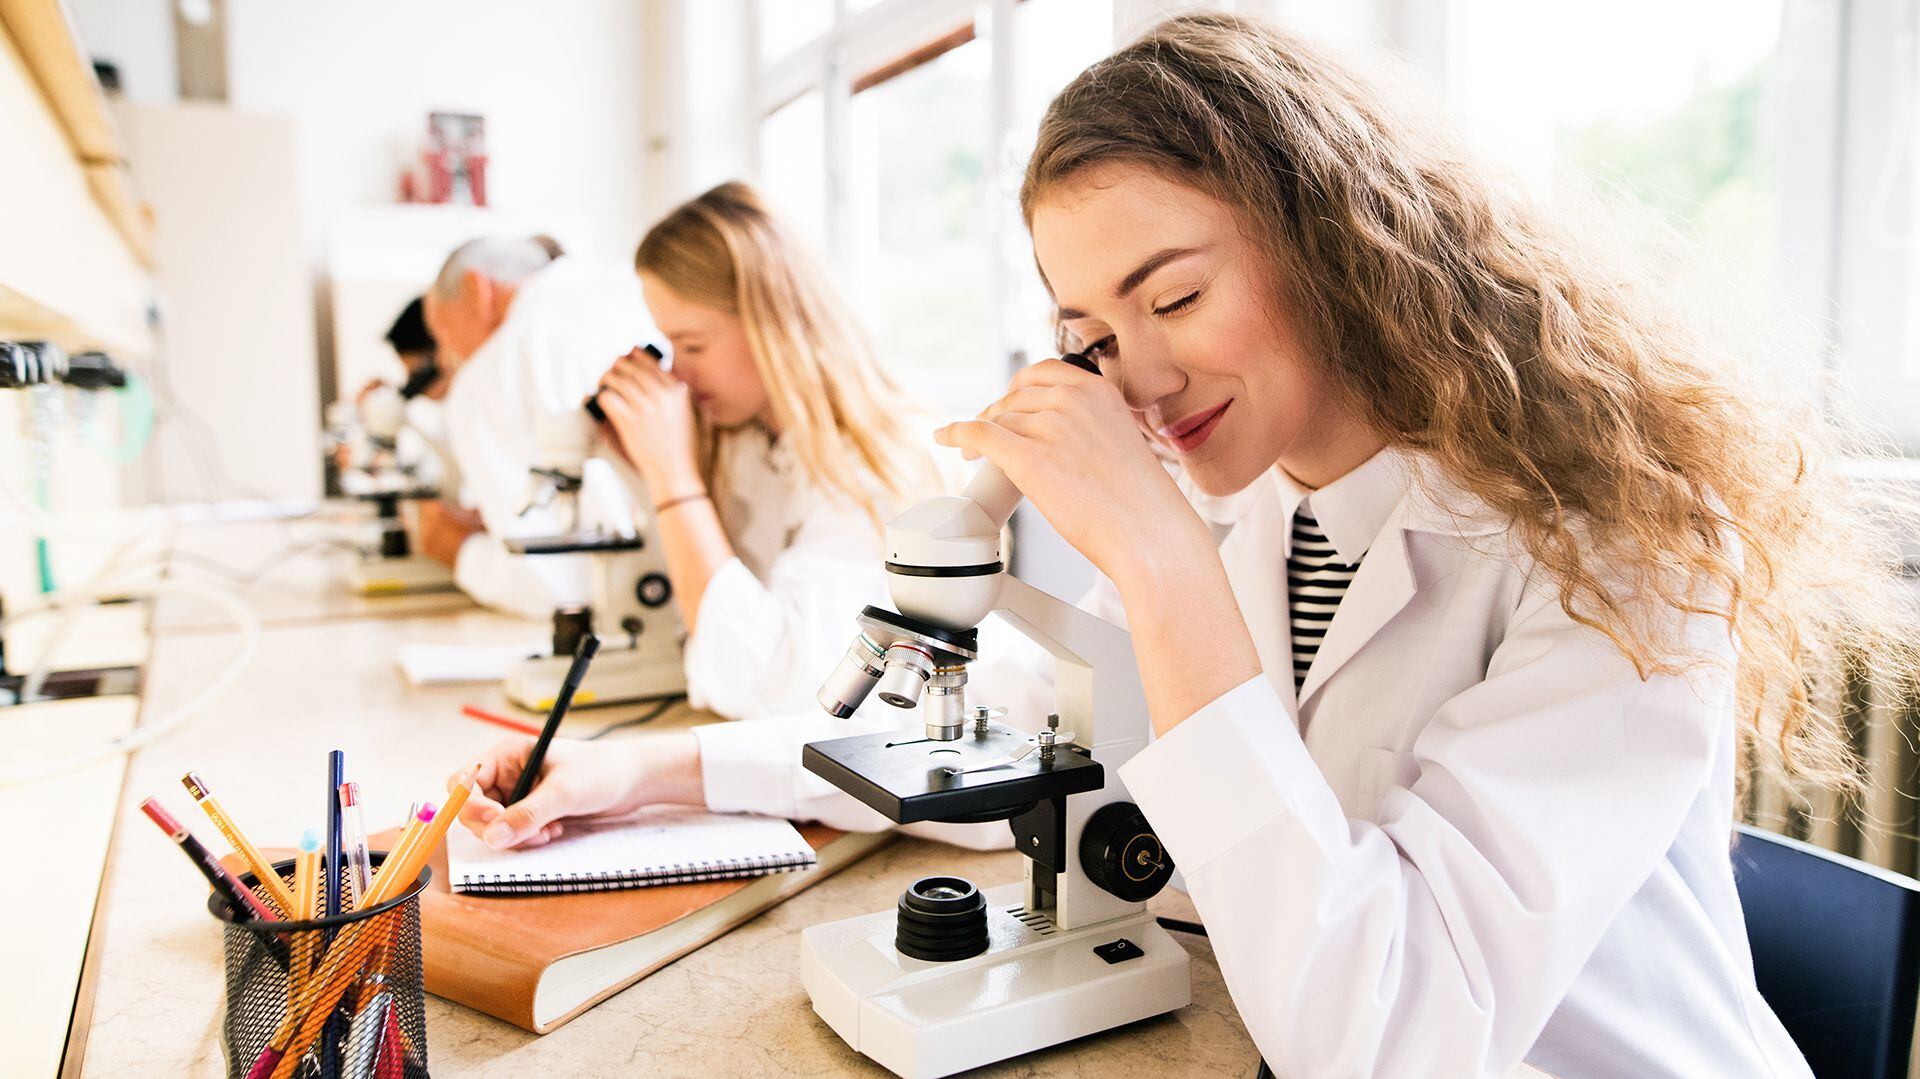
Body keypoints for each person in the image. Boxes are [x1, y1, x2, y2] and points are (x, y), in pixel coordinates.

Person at [920, 14, 1920, 1077]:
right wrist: (725, 767)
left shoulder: (1619, 544)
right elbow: (1023, 747)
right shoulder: (1244, 506)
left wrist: (1164, 568)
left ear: (1330, 238)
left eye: (1177, 297)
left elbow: (1391, 1036)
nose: (1143, 378)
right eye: (1096, 340)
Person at [456, 181, 984, 847]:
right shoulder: (752, 439)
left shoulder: (879, 462)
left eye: (693, 344)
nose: (679, 368)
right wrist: (644, 468)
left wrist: (676, 481)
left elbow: (775, 692)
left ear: (772, 327)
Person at [420, 235, 657, 618]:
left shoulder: (491, 372)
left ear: (477, 288)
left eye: (442, 330)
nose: (447, 357)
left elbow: (556, 590)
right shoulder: (632, 288)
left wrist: (460, 551)